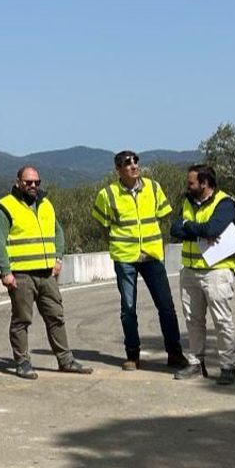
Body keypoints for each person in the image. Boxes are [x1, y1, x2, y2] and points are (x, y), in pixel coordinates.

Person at [0, 166, 93, 379]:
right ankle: (22, 362)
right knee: (22, 320)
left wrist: (58, 257)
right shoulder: (4, 207)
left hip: (47, 274)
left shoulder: (46, 204)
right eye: (28, 182)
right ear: (18, 182)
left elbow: (58, 232)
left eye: (36, 182)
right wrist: (6, 272)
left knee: (56, 316)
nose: (33, 185)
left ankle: (66, 360)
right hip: (21, 275)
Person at [92, 150, 185, 371]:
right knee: (128, 308)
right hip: (125, 257)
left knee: (166, 306)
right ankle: (132, 355)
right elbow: (103, 225)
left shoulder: (153, 187)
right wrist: (117, 244)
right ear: (118, 169)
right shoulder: (107, 194)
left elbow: (162, 216)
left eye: (136, 161)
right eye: (128, 163)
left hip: (152, 255)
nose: (134, 166)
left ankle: (174, 353)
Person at [171, 163, 235, 385]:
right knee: (193, 321)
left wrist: (188, 226)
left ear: (204, 183)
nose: (187, 187)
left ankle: (227, 366)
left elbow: (213, 229)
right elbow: (174, 229)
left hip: (217, 271)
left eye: (191, 183)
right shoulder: (187, 202)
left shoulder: (225, 204)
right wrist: (196, 230)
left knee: (222, 320)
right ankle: (196, 363)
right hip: (190, 270)